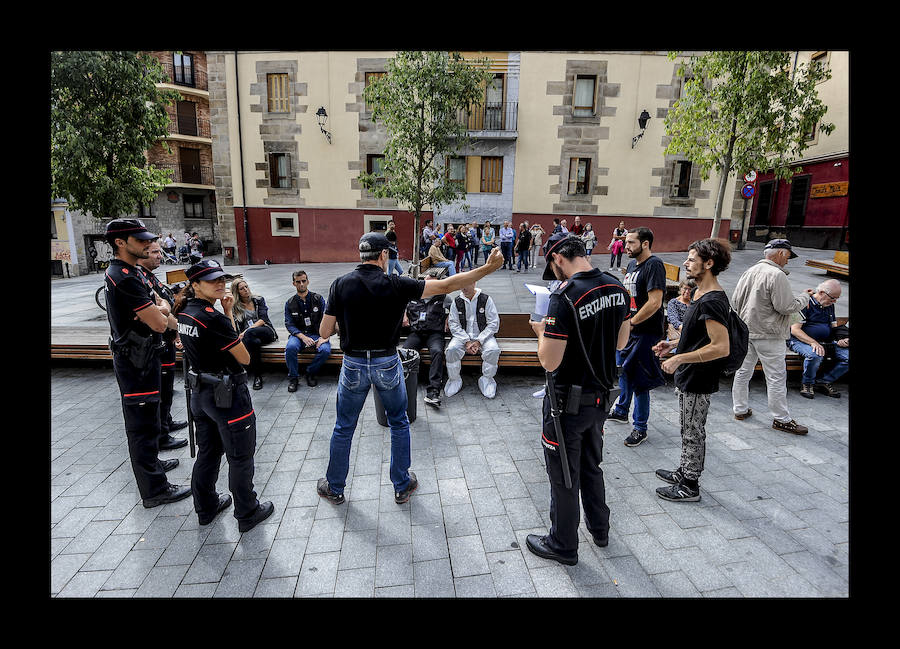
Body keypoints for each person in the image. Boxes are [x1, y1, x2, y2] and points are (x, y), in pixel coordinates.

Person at [316, 233, 505, 506]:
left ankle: (334, 488)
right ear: (383, 256)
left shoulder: (340, 284)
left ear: (361, 255)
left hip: (354, 363)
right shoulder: (396, 284)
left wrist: (346, 322)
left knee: (344, 426)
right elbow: (445, 285)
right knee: (399, 422)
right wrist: (488, 268)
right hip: (386, 362)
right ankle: (402, 485)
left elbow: (324, 331)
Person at [525, 232, 631, 566]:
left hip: (565, 404)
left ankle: (563, 544)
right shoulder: (616, 286)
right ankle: (600, 530)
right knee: (590, 465)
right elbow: (620, 342)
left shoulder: (564, 296)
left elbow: (549, 361)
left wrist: (542, 331)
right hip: (600, 397)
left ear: (558, 258)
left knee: (563, 475)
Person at [176, 259, 274, 532]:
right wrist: (225, 316)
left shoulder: (186, 310)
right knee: (240, 457)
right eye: (211, 280)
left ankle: (205, 507)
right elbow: (242, 357)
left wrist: (227, 311)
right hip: (227, 395)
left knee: (208, 452)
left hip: (201, 392)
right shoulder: (211, 316)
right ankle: (247, 512)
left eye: (221, 278)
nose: (220, 283)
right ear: (195, 285)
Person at [103, 219, 191, 509]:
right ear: (120, 243)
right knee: (141, 428)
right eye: (139, 240)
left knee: (150, 421)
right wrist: (163, 312)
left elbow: (160, 303)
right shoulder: (125, 276)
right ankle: (154, 490)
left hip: (143, 358)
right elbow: (159, 321)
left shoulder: (131, 273)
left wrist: (161, 309)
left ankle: (154, 466)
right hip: (135, 364)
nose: (146, 244)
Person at [652, 239, 733, 502]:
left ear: (708, 264)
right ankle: (685, 470)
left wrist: (678, 359)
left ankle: (690, 484)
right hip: (690, 372)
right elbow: (698, 336)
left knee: (693, 430)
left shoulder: (712, 301)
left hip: (699, 377)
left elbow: (721, 347)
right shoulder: (699, 295)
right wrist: (673, 344)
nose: (686, 263)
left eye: (691, 259)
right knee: (688, 427)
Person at [731, 239, 811, 435]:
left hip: (746, 331)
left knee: (743, 372)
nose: (788, 261)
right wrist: (804, 297)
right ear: (782, 253)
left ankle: (739, 409)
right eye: (788, 257)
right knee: (776, 377)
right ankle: (781, 419)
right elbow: (786, 307)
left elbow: (734, 301)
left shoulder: (749, 271)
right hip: (769, 333)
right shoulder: (776, 275)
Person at [606, 227, 667, 447]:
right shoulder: (632, 265)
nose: (626, 246)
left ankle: (640, 427)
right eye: (626, 242)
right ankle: (622, 410)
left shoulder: (654, 265)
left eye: (631, 242)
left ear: (646, 244)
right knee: (623, 372)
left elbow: (654, 303)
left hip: (646, 333)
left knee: (640, 381)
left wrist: (631, 323)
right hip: (629, 331)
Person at [136, 239, 189, 451]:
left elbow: (165, 303)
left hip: (166, 339)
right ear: (142, 254)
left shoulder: (150, 277)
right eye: (155, 252)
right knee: (160, 389)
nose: (160, 256)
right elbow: (161, 307)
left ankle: (166, 422)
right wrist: (167, 308)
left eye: (159, 252)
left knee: (166, 388)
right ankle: (162, 434)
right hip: (156, 341)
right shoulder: (140, 277)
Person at [786, 278, 848, 399]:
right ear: (821, 293)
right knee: (815, 354)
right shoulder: (803, 303)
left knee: (847, 357)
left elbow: (834, 327)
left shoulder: (829, 305)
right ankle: (807, 383)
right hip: (799, 340)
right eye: (832, 298)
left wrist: (842, 338)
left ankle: (823, 381)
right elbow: (794, 329)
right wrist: (813, 343)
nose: (835, 301)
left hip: (825, 341)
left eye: (837, 298)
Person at [445, 281, 501, 399]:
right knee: (451, 350)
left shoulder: (485, 299)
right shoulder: (457, 301)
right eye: (461, 285)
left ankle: (487, 379)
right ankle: (454, 380)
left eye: (467, 284)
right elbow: (453, 324)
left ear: (474, 283)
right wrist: (467, 341)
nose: (463, 288)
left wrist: (479, 340)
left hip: (484, 336)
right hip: (462, 337)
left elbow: (493, 323)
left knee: (493, 350)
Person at [402, 275, 450, 407]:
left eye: (432, 284)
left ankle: (433, 391)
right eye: (427, 284)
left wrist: (449, 317)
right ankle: (408, 383)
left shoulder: (443, 297)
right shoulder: (413, 296)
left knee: (437, 351)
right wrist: (404, 314)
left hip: (434, 334)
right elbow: (400, 305)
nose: (429, 287)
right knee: (405, 353)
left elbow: (457, 307)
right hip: (416, 333)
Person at [284, 270, 331, 392]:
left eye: (304, 281)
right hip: (299, 336)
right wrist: (302, 337)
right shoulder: (290, 303)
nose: (301, 284)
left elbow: (327, 319)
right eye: (298, 282)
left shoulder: (318, 299)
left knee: (325, 350)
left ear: (308, 281)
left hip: (316, 334)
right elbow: (289, 324)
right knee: (290, 348)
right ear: (293, 283)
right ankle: (293, 378)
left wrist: (324, 337)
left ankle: (310, 372)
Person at [231, 278, 278, 390]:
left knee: (250, 334)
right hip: (249, 338)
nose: (246, 290)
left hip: (266, 331)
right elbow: (233, 326)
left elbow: (263, 319)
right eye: (242, 289)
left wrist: (246, 331)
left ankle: (243, 370)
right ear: (237, 292)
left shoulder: (258, 300)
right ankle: (258, 376)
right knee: (254, 343)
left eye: (246, 286)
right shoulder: (235, 306)